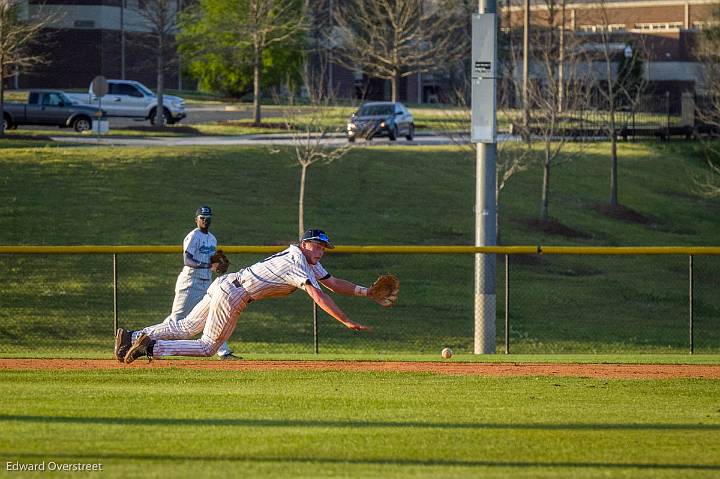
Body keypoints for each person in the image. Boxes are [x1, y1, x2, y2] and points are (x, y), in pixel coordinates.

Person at [116, 229, 371, 363]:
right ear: (304, 244)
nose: (322, 251)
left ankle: (131, 337)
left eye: (324, 248)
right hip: (236, 293)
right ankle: (150, 346)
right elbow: (317, 294)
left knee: (185, 326)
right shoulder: (298, 263)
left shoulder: (307, 259)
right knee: (208, 347)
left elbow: (333, 283)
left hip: (227, 283)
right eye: (317, 245)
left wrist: (366, 292)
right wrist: (345, 320)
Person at [114, 206, 236, 362]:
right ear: (196, 219)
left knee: (213, 314)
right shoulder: (193, 236)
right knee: (176, 320)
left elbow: (210, 261)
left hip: (206, 282)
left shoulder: (212, 239)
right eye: (202, 217)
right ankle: (138, 340)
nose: (205, 220)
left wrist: (217, 266)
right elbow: (188, 260)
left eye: (208, 217)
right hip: (190, 282)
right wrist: (208, 264)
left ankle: (224, 352)